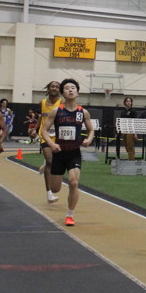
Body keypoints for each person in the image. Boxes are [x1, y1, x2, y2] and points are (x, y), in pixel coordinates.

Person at [40, 78, 95, 227]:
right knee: (55, 188)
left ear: (77, 92)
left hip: (74, 153)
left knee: (73, 182)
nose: (70, 90)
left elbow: (91, 130)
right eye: (67, 88)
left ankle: (70, 215)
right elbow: (44, 130)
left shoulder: (83, 112)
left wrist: (89, 139)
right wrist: (52, 144)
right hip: (59, 153)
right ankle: (47, 165)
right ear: (62, 93)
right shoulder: (56, 111)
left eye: (73, 88)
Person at [37, 81, 63, 203]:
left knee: (55, 162)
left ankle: (47, 166)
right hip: (45, 135)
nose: (54, 88)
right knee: (49, 160)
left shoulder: (62, 102)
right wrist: (35, 129)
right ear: (48, 89)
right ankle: (49, 194)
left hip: (59, 137)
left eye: (57, 87)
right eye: (52, 86)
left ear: (59, 90)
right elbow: (41, 117)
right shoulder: (42, 102)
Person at [120, 96, 137, 160]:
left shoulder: (133, 111)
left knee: (130, 145)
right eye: (127, 101)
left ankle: (131, 160)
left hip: (130, 130)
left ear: (131, 103)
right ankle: (131, 157)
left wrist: (135, 133)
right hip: (124, 130)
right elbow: (121, 121)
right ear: (125, 102)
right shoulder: (123, 112)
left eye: (130, 101)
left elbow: (135, 122)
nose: (128, 102)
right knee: (126, 145)